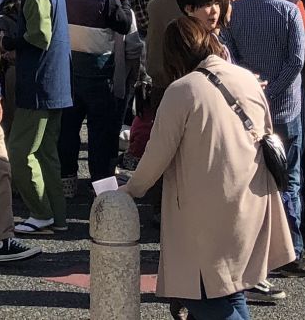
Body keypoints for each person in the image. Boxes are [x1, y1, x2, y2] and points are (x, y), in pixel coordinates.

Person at [125, 16, 294, 320]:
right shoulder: (246, 78)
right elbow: (266, 131)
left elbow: (156, 156)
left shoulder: (182, 90)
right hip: (252, 197)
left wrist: (128, 190)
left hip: (206, 209)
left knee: (203, 294)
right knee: (230, 288)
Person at [226, 0, 305, 277]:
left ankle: (254, 250)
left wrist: (253, 89)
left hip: (247, 108)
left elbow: (231, 55)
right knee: (289, 179)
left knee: (250, 180)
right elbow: (296, 61)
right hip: (285, 108)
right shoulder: (289, 10)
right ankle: (291, 250)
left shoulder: (234, 10)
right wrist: (272, 91)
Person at [0, 0, 71, 238]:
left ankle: (41, 213)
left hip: (39, 82)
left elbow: (39, 35)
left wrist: (11, 41)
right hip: (56, 82)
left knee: (20, 150)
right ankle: (57, 216)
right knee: (45, 153)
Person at [55, 0, 132, 196]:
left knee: (68, 131)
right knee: (102, 135)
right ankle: (103, 189)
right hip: (100, 74)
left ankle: (66, 183)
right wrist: (123, 0)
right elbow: (123, 25)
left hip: (68, 72)